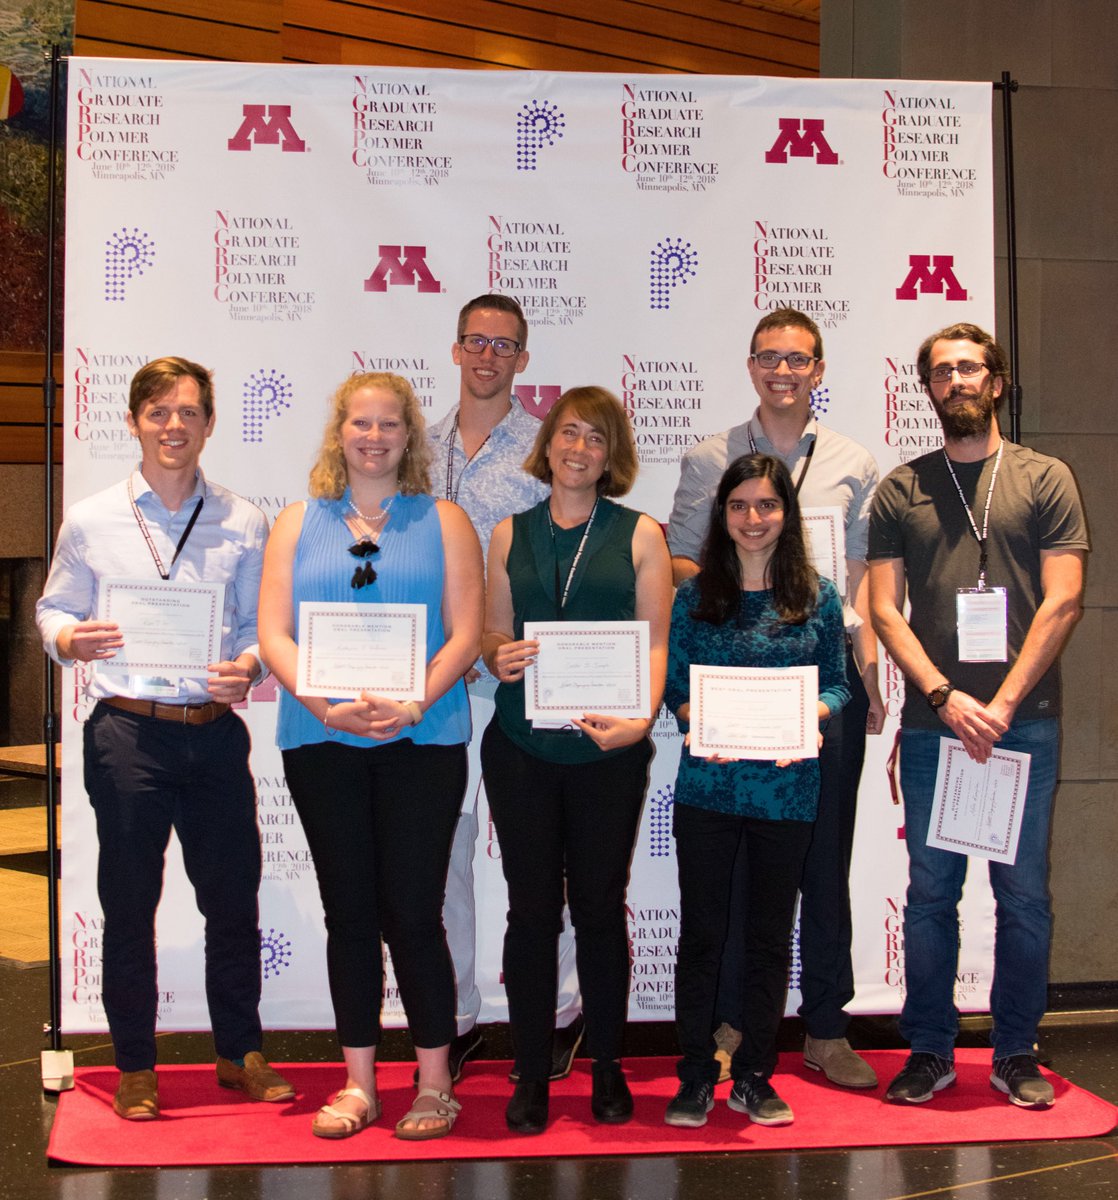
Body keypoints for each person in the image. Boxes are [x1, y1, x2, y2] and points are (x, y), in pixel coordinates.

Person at [35, 356, 292, 1121]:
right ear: (135, 421)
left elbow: (257, 628)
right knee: (128, 902)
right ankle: (136, 1065)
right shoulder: (90, 517)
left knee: (232, 900)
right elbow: (51, 609)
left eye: (188, 412)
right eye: (158, 412)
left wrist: (246, 666)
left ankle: (239, 1050)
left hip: (213, 734)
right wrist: (72, 640)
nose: (173, 425)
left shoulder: (245, 520)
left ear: (210, 423)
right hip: (127, 734)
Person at [257, 372, 483, 1140]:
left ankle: (432, 1084)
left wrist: (413, 700)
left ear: (409, 436)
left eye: (390, 424)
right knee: (348, 915)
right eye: (362, 423)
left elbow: (465, 631)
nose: (375, 436)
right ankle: (359, 1084)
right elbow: (274, 633)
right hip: (321, 740)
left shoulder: (444, 519)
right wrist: (324, 703)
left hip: (423, 739)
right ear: (340, 432)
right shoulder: (296, 521)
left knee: (415, 916)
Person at [868, 323, 1087, 1108]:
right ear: (927, 388)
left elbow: (1063, 600)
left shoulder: (1045, 477)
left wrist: (998, 704)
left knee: (1023, 894)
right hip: (936, 727)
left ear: (996, 381)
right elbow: (885, 611)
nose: (956, 380)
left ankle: (1016, 1050)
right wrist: (942, 696)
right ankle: (928, 1049)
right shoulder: (902, 487)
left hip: (1022, 722)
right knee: (931, 894)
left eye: (969, 367)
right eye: (941, 371)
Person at [667, 308, 882, 1089]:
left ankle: (826, 1026)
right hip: (730, 684)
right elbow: (678, 561)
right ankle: (728, 1025)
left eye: (798, 359)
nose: (783, 370)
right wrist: (741, 605)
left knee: (821, 861)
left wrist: (864, 672)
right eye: (769, 357)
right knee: (727, 870)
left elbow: (862, 581)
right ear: (750, 365)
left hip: (819, 684)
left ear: (819, 369)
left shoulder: (855, 459)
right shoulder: (707, 459)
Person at [480, 387, 673, 1133]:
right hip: (523, 748)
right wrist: (500, 656)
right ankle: (530, 1071)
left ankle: (608, 1068)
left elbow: (655, 642)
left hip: (606, 751)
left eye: (596, 438)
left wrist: (639, 720)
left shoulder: (640, 535)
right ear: (547, 443)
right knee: (530, 912)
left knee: (597, 910)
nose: (579, 449)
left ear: (611, 454)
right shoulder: (507, 533)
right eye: (568, 434)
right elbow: (494, 633)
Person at [427, 294, 587, 1081]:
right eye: (475, 342)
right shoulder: (413, 448)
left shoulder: (545, 451)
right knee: (445, 859)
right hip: (430, 688)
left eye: (504, 345)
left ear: (524, 360)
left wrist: (504, 647)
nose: (487, 356)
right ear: (455, 351)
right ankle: (451, 1020)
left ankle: (556, 1012)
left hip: (525, 681)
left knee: (540, 861)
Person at [665, 453, 851, 1129]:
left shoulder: (819, 596)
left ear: (786, 515)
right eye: (740, 505)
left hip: (786, 790)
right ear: (722, 514)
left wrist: (812, 714)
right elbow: (674, 683)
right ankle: (693, 1077)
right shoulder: (693, 596)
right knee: (704, 938)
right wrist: (694, 718)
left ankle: (754, 1077)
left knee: (772, 940)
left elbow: (839, 683)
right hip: (709, 788)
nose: (753, 518)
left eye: (766, 506)